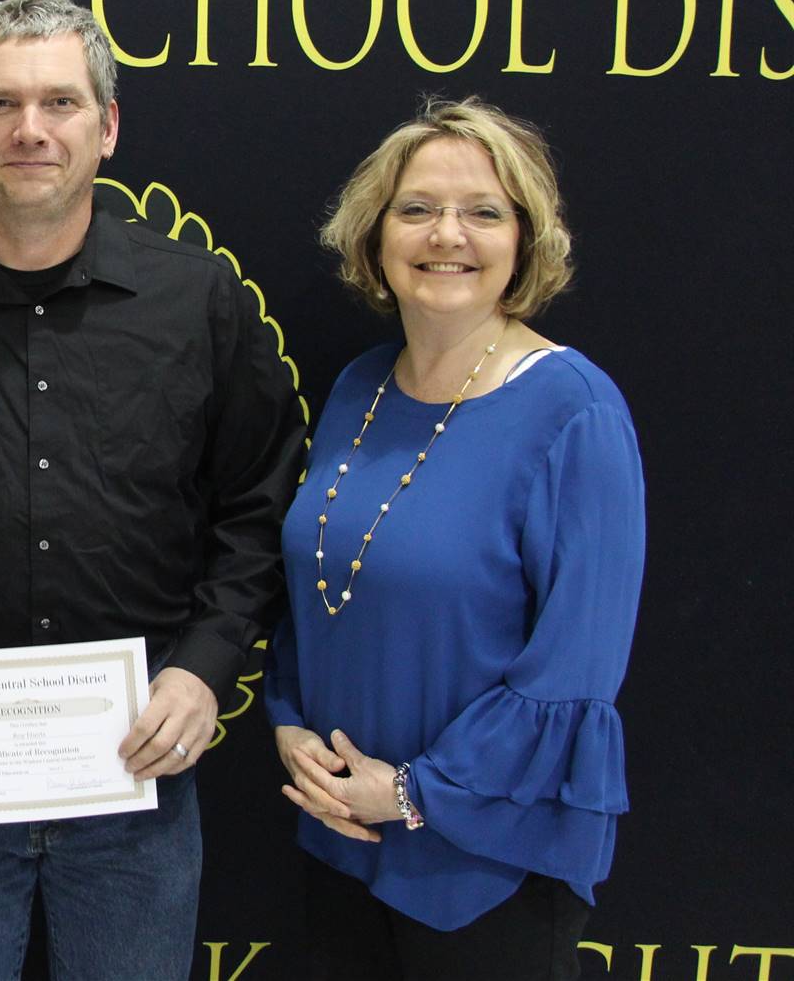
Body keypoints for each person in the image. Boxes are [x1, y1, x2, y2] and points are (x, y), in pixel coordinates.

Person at [0, 0, 305, 979]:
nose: (31, 130)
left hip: (135, 782)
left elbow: (261, 501)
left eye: (60, 103)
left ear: (109, 126)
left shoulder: (195, 300)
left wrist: (203, 664)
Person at [264, 97, 644, 980]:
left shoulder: (574, 412)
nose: (448, 235)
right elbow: (320, 587)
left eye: (482, 212)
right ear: (375, 236)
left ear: (525, 239)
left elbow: (576, 670)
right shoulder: (360, 387)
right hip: (342, 840)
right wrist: (289, 725)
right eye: (417, 209)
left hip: (484, 863)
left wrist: (409, 794)